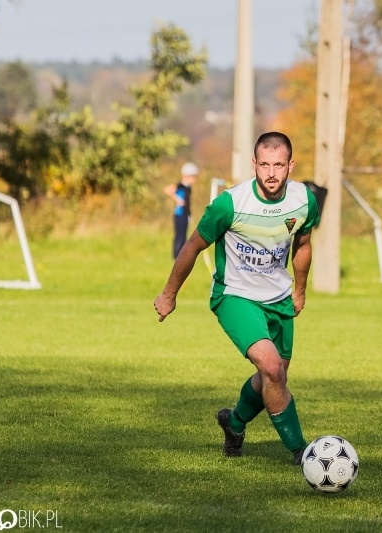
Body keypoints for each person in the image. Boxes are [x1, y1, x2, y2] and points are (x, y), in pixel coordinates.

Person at [154, 132, 319, 465]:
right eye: (264, 165)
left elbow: (302, 246)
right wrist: (169, 294)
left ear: (290, 166)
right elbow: (192, 246)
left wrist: (299, 290)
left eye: (279, 165)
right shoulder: (231, 203)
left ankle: (235, 423)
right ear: (254, 164)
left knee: (274, 376)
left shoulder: (303, 200)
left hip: (279, 298)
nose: (271, 173)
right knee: (271, 368)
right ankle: (302, 452)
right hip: (235, 296)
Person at [164, 162, 199, 259]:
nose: (194, 179)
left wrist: (189, 215)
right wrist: (177, 199)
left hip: (185, 214)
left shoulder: (188, 187)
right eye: (192, 176)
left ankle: (181, 255)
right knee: (179, 235)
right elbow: (167, 189)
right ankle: (176, 256)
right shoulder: (181, 185)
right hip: (179, 214)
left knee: (184, 236)